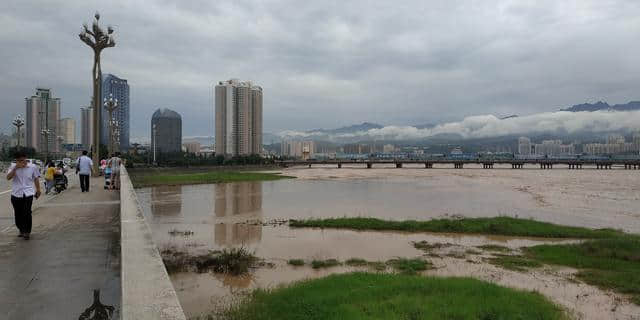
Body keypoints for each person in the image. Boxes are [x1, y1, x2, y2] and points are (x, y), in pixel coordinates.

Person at [6, 150, 42, 240]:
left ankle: (27, 232)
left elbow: (36, 179)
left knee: (27, 212)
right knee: (18, 214)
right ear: (16, 160)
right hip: (16, 194)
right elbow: (8, 178)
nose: (21, 162)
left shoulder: (32, 167)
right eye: (18, 160)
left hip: (28, 193)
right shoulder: (13, 166)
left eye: (22, 160)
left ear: (25, 158)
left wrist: (38, 190)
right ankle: (21, 230)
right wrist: (15, 168)